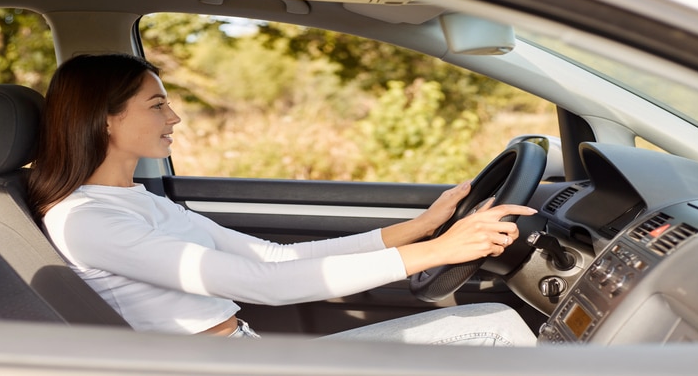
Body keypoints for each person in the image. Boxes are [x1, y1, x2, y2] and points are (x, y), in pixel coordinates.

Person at [28, 53, 538, 345]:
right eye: (157, 104)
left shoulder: (137, 200)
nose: (174, 117)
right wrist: (440, 251)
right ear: (106, 118)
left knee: (493, 326)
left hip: (246, 352)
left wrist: (422, 228)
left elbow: (274, 258)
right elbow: (265, 284)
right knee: (495, 330)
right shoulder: (88, 220)